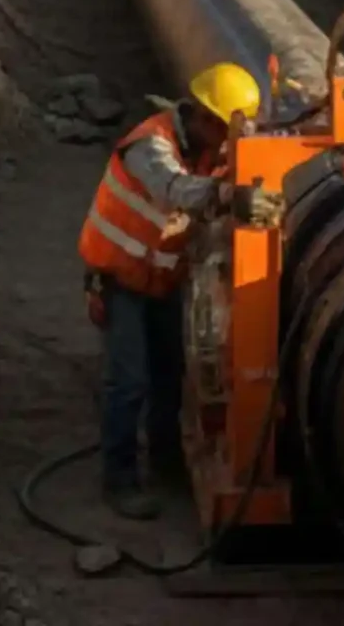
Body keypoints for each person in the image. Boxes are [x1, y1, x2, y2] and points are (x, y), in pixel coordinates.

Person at [78, 63, 283, 521]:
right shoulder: (150, 146)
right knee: (129, 381)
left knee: (172, 375)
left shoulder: (211, 155)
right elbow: (177, 190)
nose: (229, 143)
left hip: (163, 281)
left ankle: (168, 466)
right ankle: (121, 480)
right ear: (203, 119)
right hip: (118, 281)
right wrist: (230, 198)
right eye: (226, 130)